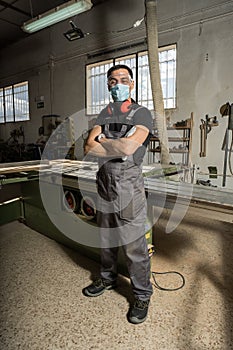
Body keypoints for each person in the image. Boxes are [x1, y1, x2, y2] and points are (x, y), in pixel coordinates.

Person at [83, 64, 153, 324]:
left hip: (127, 185)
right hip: (104, 182)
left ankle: (142, 293)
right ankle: (107, 277)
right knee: (106, 237)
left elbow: (129, 148)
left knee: (134, 245)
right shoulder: (104, 113)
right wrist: (116, 146)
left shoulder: (141, 113)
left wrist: (105, 142)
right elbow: (89, 147)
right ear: (108, 86)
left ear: (132, 84)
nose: (118, 84)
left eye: (123, 79)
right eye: (113, 81)